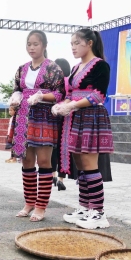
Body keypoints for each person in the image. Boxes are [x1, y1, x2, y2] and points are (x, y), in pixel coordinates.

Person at [53, 28, 114, 229]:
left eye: (77, 43)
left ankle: (98, 212)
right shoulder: (76, 68)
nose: (73, 47)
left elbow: (98, 96)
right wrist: (63, 104)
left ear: (89, 43)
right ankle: (85, 207)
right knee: (80, 164)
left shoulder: (101, 66)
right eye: (71, 44)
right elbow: (70, 93)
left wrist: (72, 105)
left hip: (91, 118)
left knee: (90, 164)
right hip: (76, 118)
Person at [10, 30, 65, 222]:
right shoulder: (21, 68)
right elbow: (17, 89)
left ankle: (41, 206)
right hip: (24, 117)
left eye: (35, 44)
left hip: (43, 117)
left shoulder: (53, 68)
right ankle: (29, 202)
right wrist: (16, 97)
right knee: (26, 161)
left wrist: (41, 96)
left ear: (44, 45)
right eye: (29, 44)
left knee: (43, 161)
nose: (31, 47)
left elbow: (59, 94)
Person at [51, 58, 72, 191]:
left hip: (53, 117)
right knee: (63, 149)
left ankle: (52, 175)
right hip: (66, 118)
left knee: (52, 148)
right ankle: (61, 179)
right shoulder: (70, 81)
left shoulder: (54, 82)